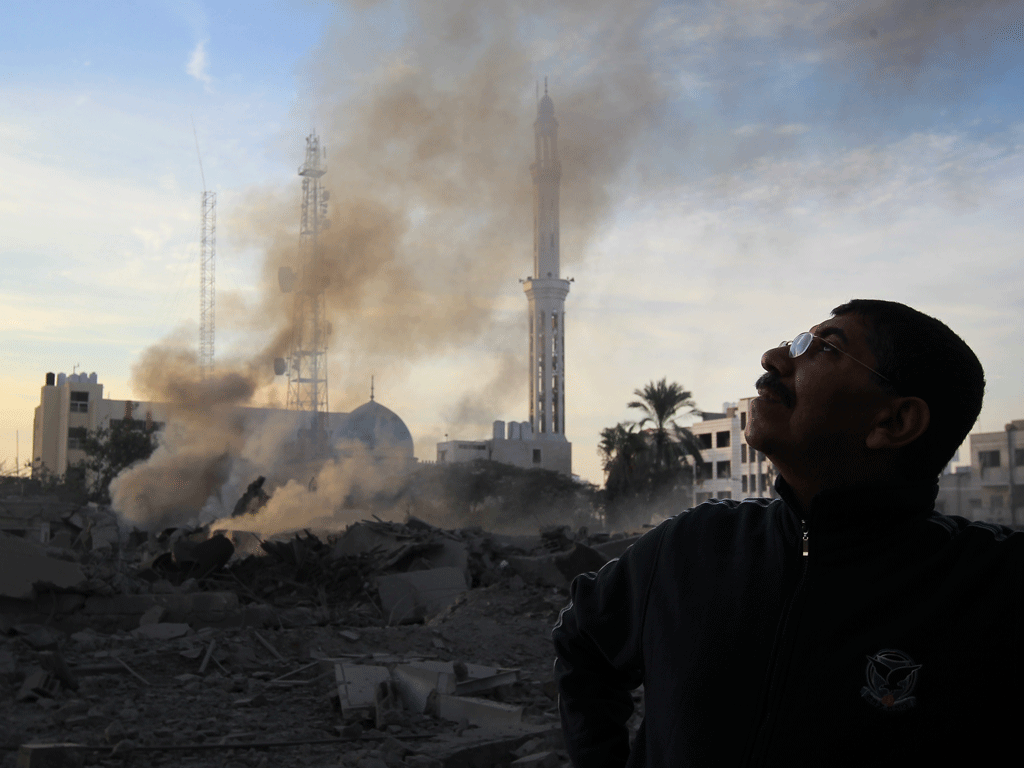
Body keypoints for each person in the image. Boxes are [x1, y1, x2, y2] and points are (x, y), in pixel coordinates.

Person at [552, 299, 1019, 767]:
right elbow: (582, 640)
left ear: (893, 422)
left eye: (826, 350)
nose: (774, 358)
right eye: (799, 341)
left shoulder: (989, 589)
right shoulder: (694, 544)